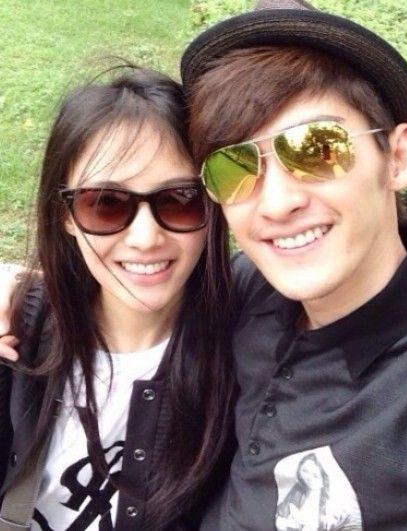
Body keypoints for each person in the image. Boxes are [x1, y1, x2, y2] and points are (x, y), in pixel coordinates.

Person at [180, 0, 407, 528]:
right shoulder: (248, 288)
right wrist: (28, 300)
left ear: (398, 158)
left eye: (316, 149)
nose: (275, 203)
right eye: (233, 168)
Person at [0, 66, 235, 530]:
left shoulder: (247, 345)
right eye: (105, 203)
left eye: (180, 199)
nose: (146, 239)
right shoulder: (16, 337)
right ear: (65, 215)